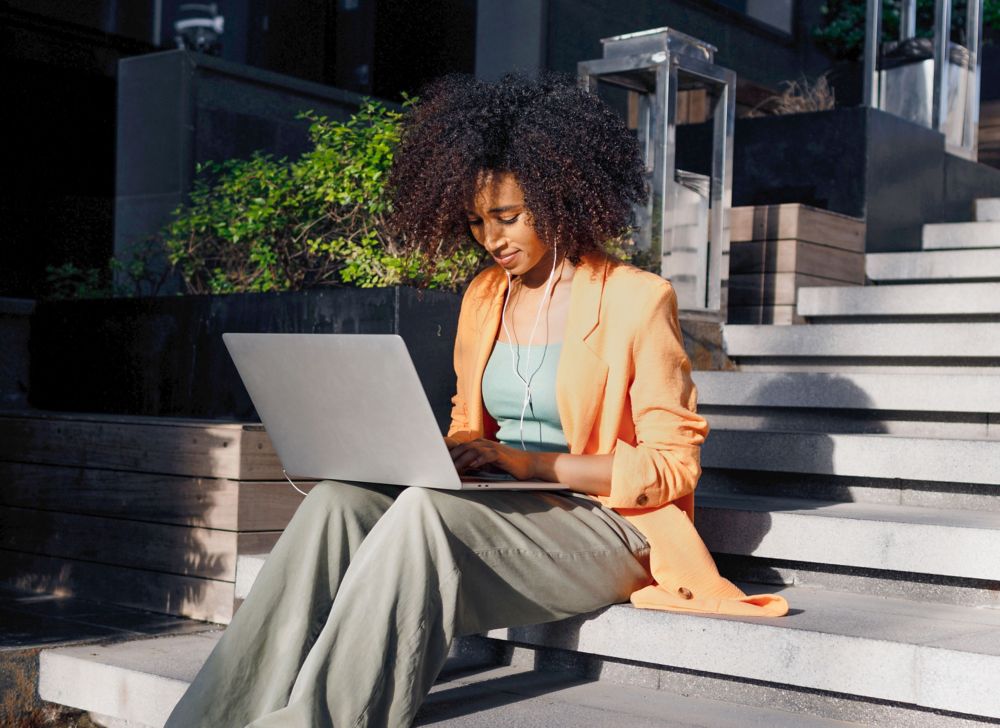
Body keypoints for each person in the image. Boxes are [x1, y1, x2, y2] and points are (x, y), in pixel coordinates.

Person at [165, 72, 786, 728]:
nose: (491, 238)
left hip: (609, 525)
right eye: (475, 223)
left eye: (507, 217)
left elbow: (672, 468)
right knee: (336, 502)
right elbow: (469, 426)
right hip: (501, 505)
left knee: (427, 517)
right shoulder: (486, 297)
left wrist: (528, 465)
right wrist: (428, 452)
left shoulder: (637, 298)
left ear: (559, 193)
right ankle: (211, 717)